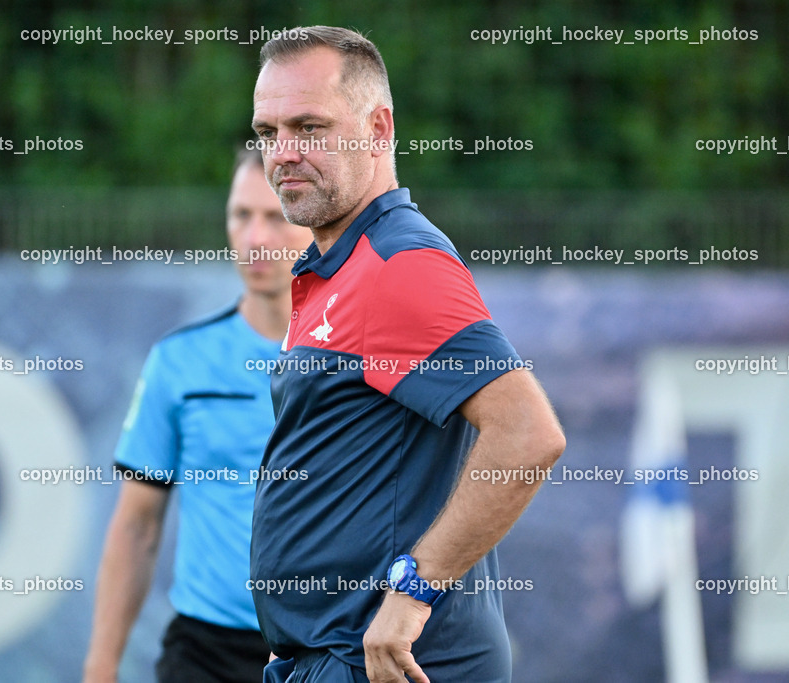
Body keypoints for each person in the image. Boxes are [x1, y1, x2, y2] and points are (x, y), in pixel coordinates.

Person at [248, 26, 567, 683]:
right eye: (268, 131)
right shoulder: (335, 266)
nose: (283, 153)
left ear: (378, 126)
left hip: (391, 663)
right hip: (333, 658)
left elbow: (528, 434)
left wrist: (413, 591)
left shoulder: (398, 263)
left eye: (309, 127)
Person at [83, 148, 313, 683]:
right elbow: (137, 524)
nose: (255, 237)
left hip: (328, 646)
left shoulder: (363, 362)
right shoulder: (179, 361)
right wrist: (100, 667)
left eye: (275, 216)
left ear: (313, 221)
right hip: (204, 653)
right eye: (241, 215)